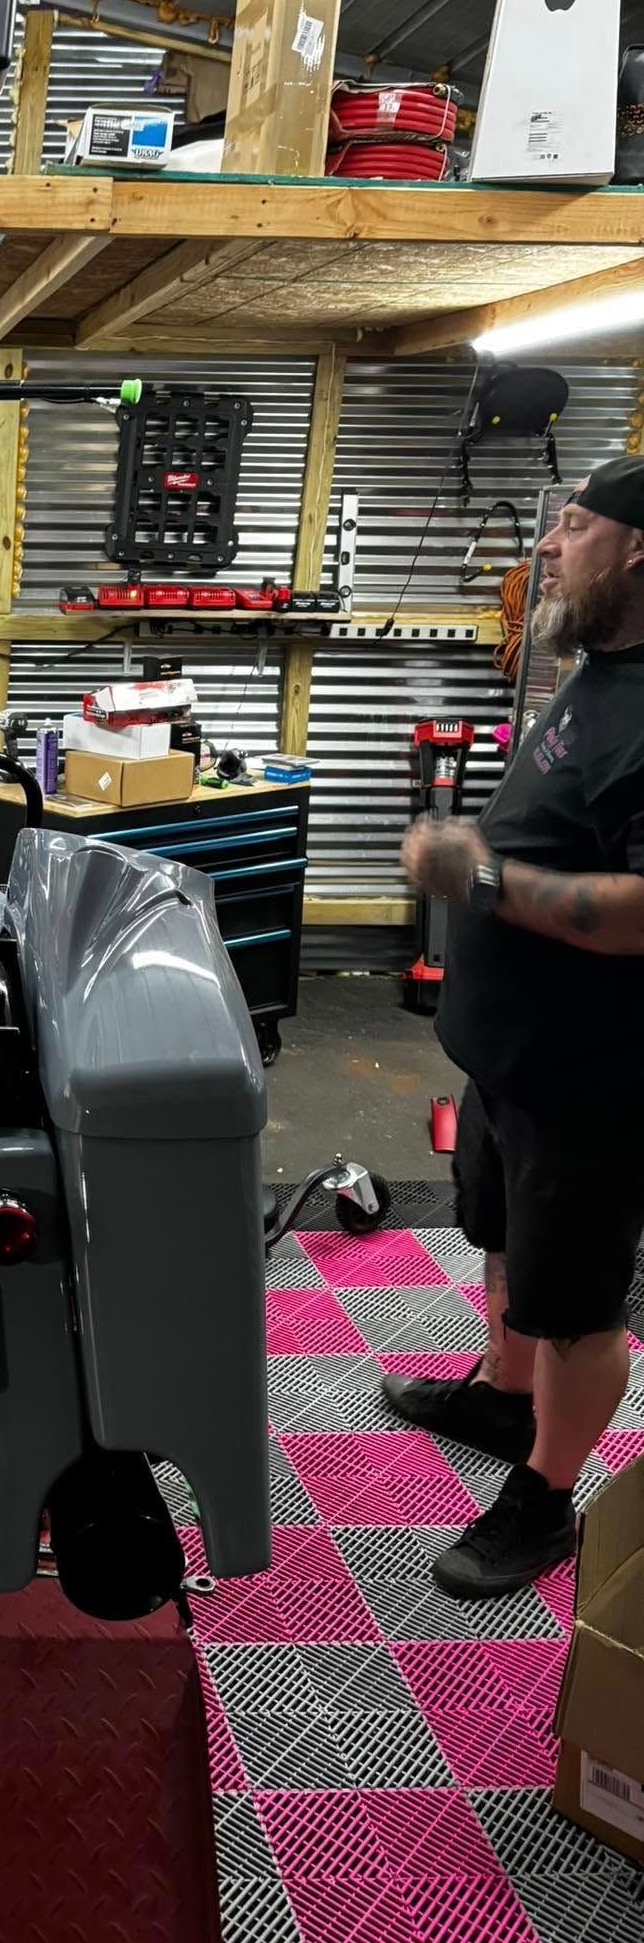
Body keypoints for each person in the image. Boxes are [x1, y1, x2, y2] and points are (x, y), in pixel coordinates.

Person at [387, 454, 644, 1600]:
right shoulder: (602, 665)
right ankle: (502, 1392)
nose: (547, 544)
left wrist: (479, 870)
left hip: (594, 1078)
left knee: (579, 1304)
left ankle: (545, 1497)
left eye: (574, 525)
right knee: (504, 1245)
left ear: (637, 549)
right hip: (511, 1059)